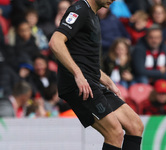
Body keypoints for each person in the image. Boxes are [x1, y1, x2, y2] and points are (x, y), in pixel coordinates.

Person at [49, 0, 143, 150]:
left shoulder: (93, 15)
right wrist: (78, 74)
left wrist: (107, 80)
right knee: (115, 133)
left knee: (135, 125)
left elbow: (83, 58)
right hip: (78, 85)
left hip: (91, 80)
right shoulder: (79, 10)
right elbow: (55, 41)